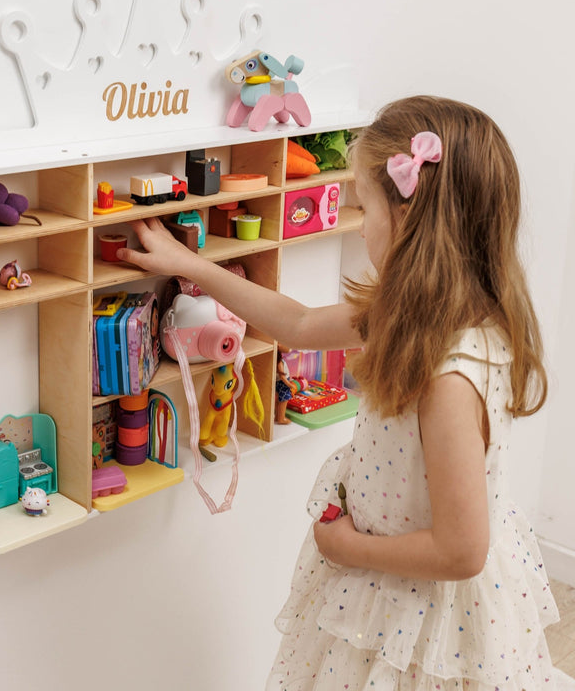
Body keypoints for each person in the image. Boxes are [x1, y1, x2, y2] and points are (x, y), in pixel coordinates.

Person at [117, 96, 562, 689]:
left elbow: (461, 552)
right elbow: (299, 324)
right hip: (385, 589)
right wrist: (189, 265)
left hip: (420, 616)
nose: (362, 222)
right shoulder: (415, 315)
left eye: (364, 206)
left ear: (407, 218)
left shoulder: (449, 375)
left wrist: (348, 548)